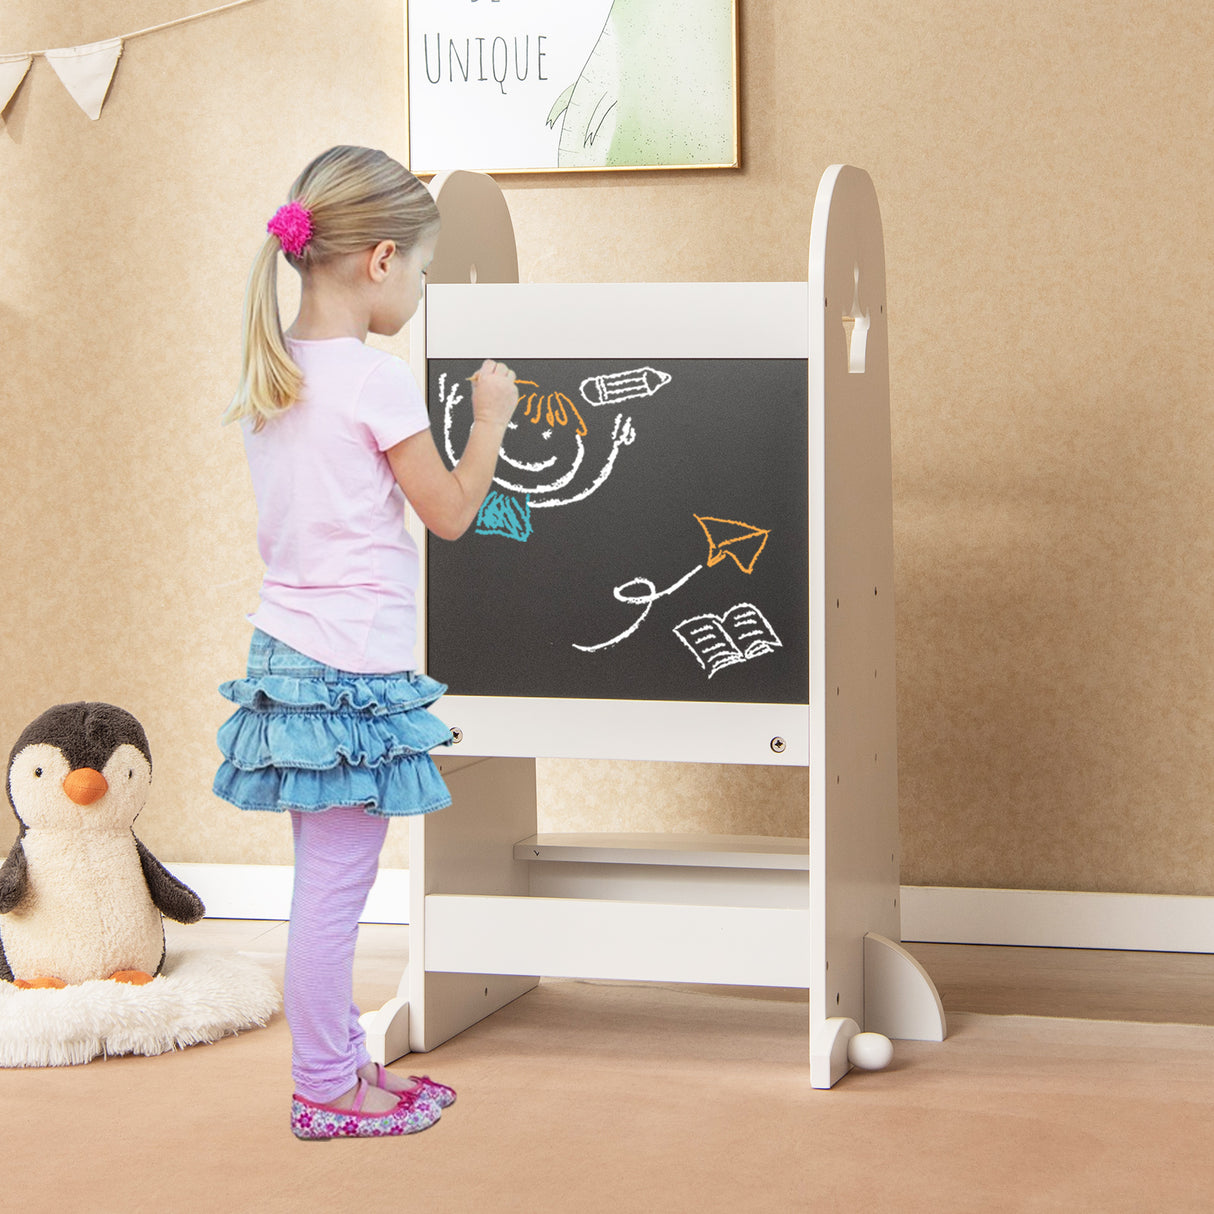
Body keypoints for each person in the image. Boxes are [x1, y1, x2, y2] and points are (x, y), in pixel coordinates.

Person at [213, 146, 519, 1140]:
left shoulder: (275, 370)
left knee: (325, 881)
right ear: (380, 260)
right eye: (422, 271)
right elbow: (451, 514)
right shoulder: (374, 383)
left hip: (290, 658)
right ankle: (322, 1084)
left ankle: (343, 1065)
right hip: (347, 667)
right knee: (335, 892)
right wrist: (490, 421)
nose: (420, 290)